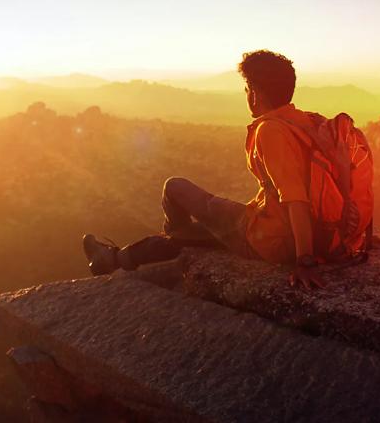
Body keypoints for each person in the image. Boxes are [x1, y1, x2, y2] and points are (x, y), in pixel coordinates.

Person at [82, 49, 327, 289]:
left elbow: (296, 198)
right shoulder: (307, 122)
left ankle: (158, 247)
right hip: (312, 234)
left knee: (175, 188)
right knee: (200, 233)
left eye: (247, 89)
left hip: (271, 239)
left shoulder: (271, 130)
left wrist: (304, 260)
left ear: (255, 93)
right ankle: (114, 258)